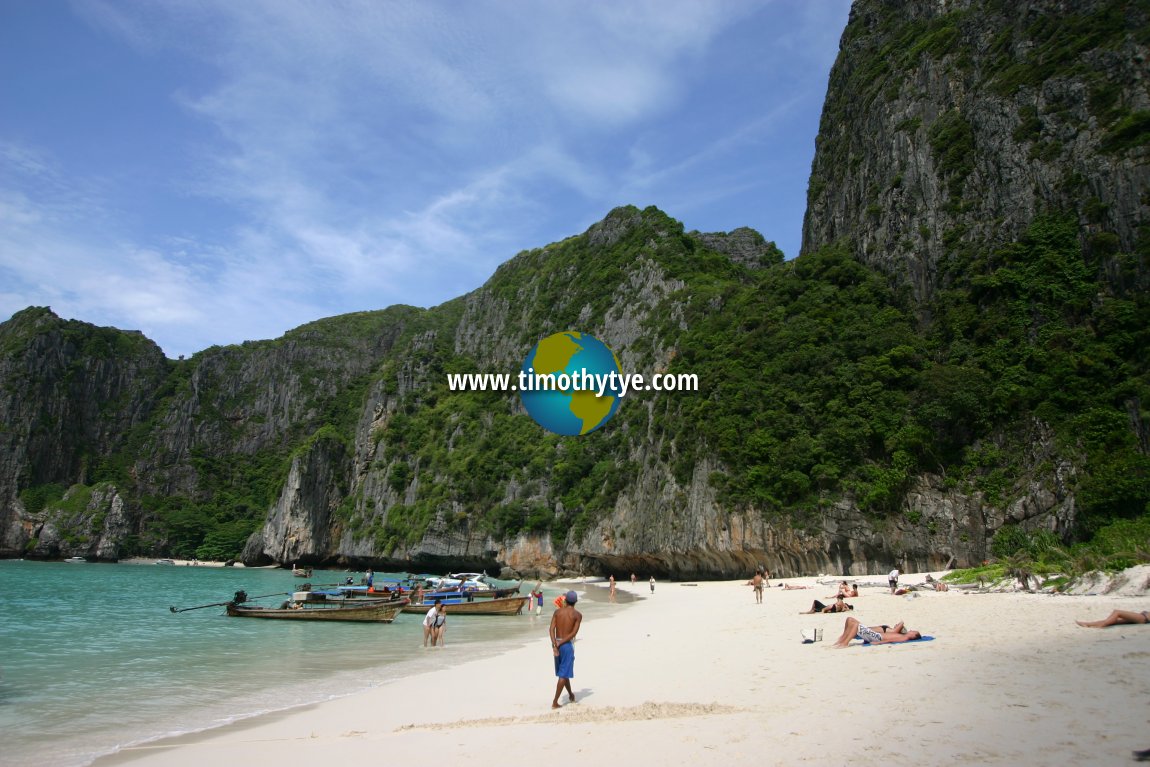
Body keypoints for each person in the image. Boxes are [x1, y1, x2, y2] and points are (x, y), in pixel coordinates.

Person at [549, 590, 583, 708]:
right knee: (563, 674)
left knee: (564, 672)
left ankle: (570, 695)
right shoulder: (577, 615)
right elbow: (573, 633)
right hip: (566, 645)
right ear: (575, 602)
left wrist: (555, 644)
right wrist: (560, 643)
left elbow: (551, 629)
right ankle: (555, 702)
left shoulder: (557, 612)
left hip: (557, 644)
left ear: (566, 600)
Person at [831, 616, 921, 648]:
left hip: (877, 637)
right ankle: (841, 640)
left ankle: (845, 643)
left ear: (913, 636)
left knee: (855, 625)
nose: (911, 630)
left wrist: (879, 643)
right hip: (876, 635)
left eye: (913, 631)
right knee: (849, 619)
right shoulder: (903, 635)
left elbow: (891, 641)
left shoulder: (905, 637)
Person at [1075, 609, 1149, 628]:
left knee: (1117, 612)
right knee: (1114, 621)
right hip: (1143, 617)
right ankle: (1088, 624)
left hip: (1143, 618)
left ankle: (1102, 625)